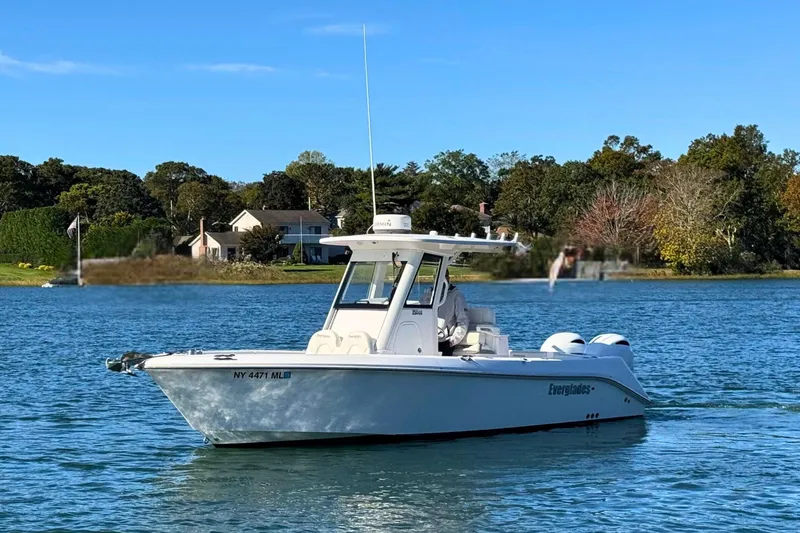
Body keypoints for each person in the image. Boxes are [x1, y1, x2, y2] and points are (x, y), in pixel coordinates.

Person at [437, 269, 469, 356]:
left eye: (444, 276)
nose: (441, 279)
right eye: (438, 277)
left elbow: (463, 322)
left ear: (448, 278)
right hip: (427, 339)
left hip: (445, 341)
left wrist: (452, 341)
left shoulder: (457, 296)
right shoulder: (429, 294)